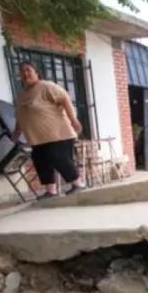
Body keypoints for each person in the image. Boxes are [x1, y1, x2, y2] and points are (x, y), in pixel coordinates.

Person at [12, 61, 86, 198]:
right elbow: (20, 115)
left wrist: (73, 120)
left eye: (28, 70)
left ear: (36, 72)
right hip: (36, 138)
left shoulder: (46, 86)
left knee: (59, 158)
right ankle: (51, 191)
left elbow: (65, 99)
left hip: (58, 134)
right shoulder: (21, 95)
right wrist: (17, 132)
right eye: (22, 71)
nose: (25, 73)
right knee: (41, 162)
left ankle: (78, 184)